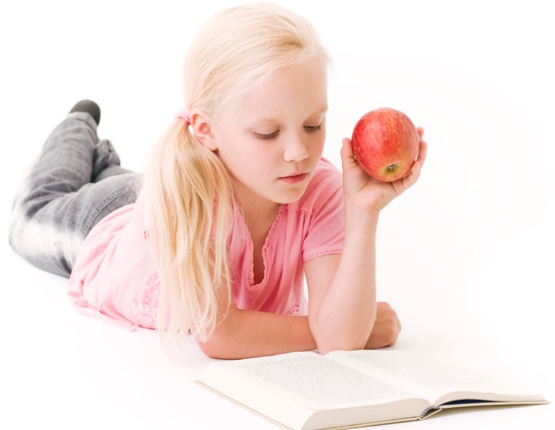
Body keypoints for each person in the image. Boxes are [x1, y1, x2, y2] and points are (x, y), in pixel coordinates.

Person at [8, 2, 427, 359]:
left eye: (314, 124)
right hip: (105, 230)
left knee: (118, 183)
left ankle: (104, 161)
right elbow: (222, 335)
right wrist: (336, 331)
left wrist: (362, 214)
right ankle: (78, 125)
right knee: (31, 217)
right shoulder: (191, 195)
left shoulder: (317, 190)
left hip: (147, 200)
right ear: (206, 131)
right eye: (268, 133)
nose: (299, 151)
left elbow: (337, 339)